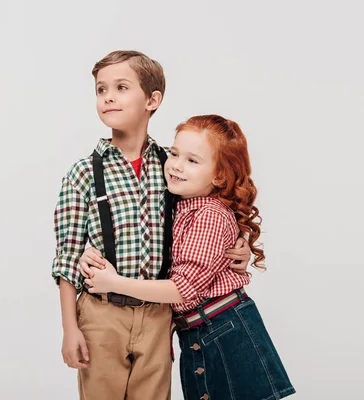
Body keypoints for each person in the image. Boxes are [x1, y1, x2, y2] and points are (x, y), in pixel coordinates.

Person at [51, 51, 251, 400]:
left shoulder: (171, 165)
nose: (108, 96)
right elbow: (66, 257)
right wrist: (70, 328)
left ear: (152, 99)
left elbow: (210, 212)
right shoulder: (83, 173)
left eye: (121, 87)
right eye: (101, 89)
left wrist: (239, 243)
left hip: (159, 316)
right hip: (101, 313)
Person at [83, 114, 296, 400]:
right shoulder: (183, 202)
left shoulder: (208, 215)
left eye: (192, 161)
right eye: (174, 153)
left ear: (219, 175)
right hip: (199, 332)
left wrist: (114, 282)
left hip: (223, 331)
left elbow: (182, 289)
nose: (176, 166)